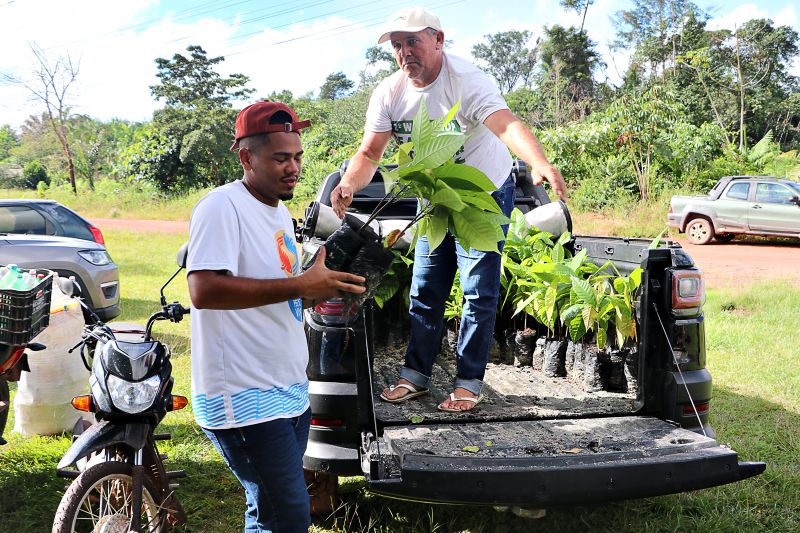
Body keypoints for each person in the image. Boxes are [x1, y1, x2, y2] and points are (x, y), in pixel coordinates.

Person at [330, 6, 567, 413]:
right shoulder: (389, 92)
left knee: (478, 289)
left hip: (483, 194)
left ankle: (468, 382)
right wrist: (349, 182)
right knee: (426, 287)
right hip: (434, 198)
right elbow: (370, 150)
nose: (405, 53)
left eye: (413, 42)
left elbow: (505, 124)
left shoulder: (468, 81)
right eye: (398, 46)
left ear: (438, 40)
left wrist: (539, 162)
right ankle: (415, 376)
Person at [187, 101, 365, 533]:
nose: (293, 168)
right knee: (287, 515)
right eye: (281, 158)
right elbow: (203, 290)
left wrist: (321, 288)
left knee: (270, 512)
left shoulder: (279, 213)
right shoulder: (221, 208)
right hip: (244, 397)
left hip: (286, 389)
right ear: (247, 157)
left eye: (298, 157)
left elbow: (280, 294)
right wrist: (301, 286)